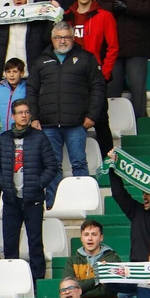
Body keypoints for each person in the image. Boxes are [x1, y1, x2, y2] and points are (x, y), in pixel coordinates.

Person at [0, 101, 60, 279]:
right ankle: (13, 280)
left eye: (27, 112)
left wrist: (37, 184)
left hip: (33, 199)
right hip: (11, 200)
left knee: (35, 243)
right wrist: (5, 185)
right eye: (20, 112)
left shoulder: (40, 137)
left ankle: (37, 282)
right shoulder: (4, 139)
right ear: (13, 116)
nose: (24, 115)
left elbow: (52, 166)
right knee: (10, 244)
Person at [27, 23, 106, 183]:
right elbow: (31, 91)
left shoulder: (86, 58)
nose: (62, 41)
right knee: (52, 166)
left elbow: (98, 88)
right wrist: (33, 117)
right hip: (48, 124)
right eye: (58, 37)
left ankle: (82, 198)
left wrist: (92, 116)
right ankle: (54, 199)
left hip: (77, 123)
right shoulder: (40, 61)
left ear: (73, 38)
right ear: (52, 39)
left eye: (66, 37)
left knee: (79, 163)